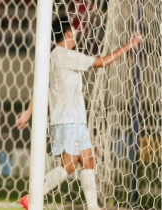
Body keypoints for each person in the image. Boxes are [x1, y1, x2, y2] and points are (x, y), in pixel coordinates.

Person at [16, 16, 142, 210]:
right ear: (67, 33)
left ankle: (93, 207)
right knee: (70, 165)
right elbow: (102, 62)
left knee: (87, 159)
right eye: (73, 31)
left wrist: (28, 111)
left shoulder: (52, 56)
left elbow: (41, 86)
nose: (76, 34)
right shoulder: (65, 55)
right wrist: (129, 45)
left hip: (75, 119)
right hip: (68, 120)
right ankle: (33, 196)